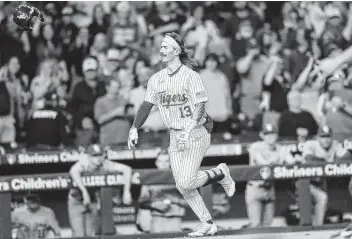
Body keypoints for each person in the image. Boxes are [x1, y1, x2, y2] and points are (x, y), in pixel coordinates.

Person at [127, 32, 236, 237]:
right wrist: (134, 127)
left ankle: (221, 172)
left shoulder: (191, 76)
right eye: (161, 46)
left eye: (166, 46)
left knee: (186, 181)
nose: (161, 50)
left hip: (195, 131)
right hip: (174, 135)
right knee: (182, 185)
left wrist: (189, 128)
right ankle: (208, 223)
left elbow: (201, 106)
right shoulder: (156, 79)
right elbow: (146, 105)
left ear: (176, 51)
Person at [68, 144, 133, 236]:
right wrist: (84, 191)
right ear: (89, 156)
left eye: (100, 155)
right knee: (79, 234)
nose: (98, 158)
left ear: (104, 155)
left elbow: (127, 169)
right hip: (76, 200)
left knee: (90, 233)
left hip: (93, 201)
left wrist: (127, 192)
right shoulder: (84, 162)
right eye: (94, 156)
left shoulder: (106, 163)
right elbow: (73, 171)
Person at [246, 124, 297, 228]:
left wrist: (295, 159)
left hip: (270, 189)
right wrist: (276, 161)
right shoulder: (256, 146)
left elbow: (292, 162)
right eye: (267, 134)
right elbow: (262, 163)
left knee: (267, 226)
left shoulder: (280, 149)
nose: (270, 137)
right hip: (255, 188)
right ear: (262, 135)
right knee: (255, 225)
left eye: (272, 134)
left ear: (277, 135)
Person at [301, 125, 348, 226]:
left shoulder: (335, 144)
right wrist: (329, 162)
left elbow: (345, 158)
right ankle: (316, 227)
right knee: (321, 198)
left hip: (321, 183)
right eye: (323, 137)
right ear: (317, 137)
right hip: (304, 183)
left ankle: (318, 227)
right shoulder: (311, 144)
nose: (326, 140)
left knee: (322, 200)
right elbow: (309, 159)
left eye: (328, 137)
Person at [138, 150, 187, 233]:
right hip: (157, 218)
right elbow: (142, 202)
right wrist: (154, 205)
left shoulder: (181, 178)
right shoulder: (149, 179)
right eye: (160, 161)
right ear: (156, 163)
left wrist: (175, 200)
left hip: (175, 219)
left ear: (170, 162)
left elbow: (191, 202)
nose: (163, 164)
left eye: (166, 161)